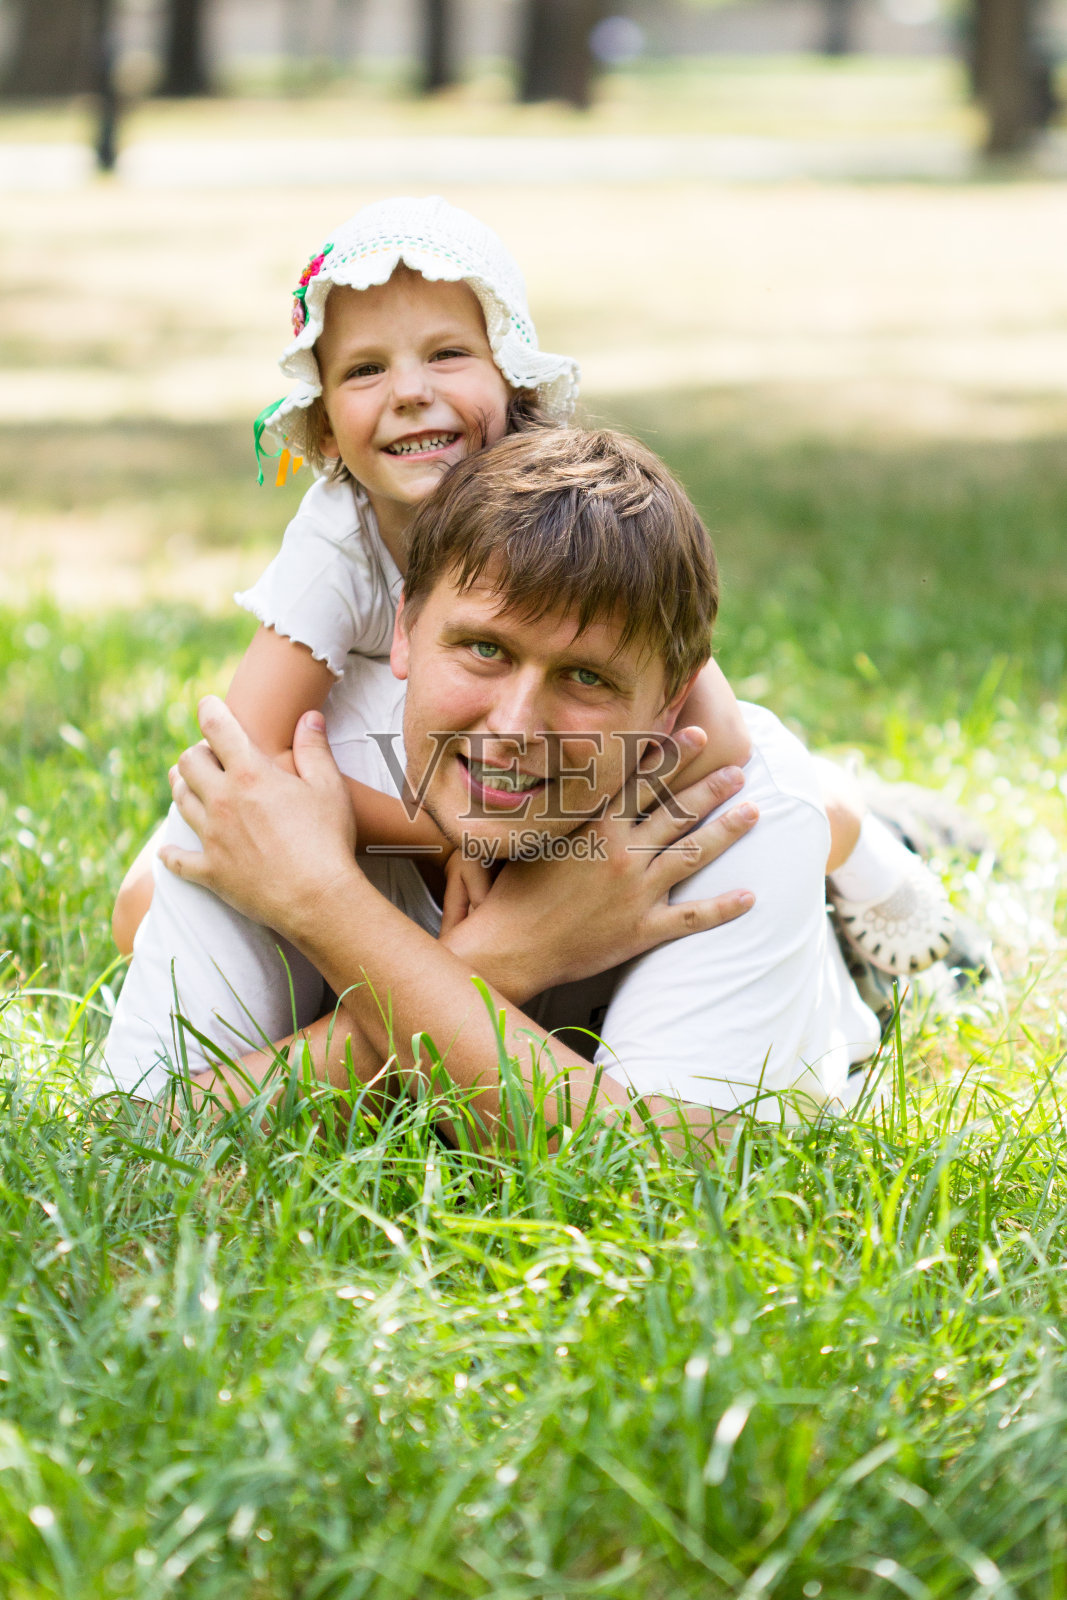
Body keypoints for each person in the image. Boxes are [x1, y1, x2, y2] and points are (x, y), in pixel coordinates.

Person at [102, 197, 950, 1098]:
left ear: (514, 382)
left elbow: (717, 735)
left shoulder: (573, 501)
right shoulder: (337, 536)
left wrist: (558, 848)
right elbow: (247, 761)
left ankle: (869, 847)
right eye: (365, 369)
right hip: (425, 785)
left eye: (448, 353)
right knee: (141, 903)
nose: (410, 391)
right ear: (322, 429)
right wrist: (452, 846)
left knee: (785, 791)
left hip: (564, 783)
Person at [104, 427, 886, 1154]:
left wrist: (328, 910)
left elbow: (656, 1171)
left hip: (831, 966)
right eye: (484, 649)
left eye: (586, 678)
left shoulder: (733, 812)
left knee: (823, 810)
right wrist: (499, 961)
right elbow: (144, 1136)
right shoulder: (276, 793)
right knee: (142, 899)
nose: (514, 725)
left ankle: (884, 841)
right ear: (404, 630)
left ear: (672, 701)